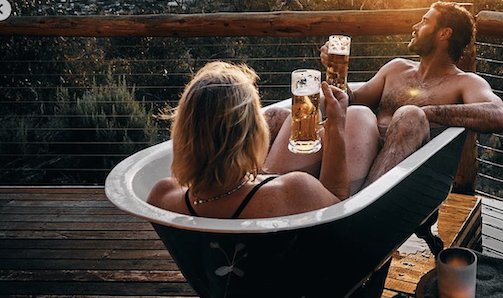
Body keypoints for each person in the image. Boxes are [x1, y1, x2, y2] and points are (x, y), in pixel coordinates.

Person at [265, 2, 503, 186]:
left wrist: (425, 113)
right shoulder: (396, 68)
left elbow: (499, 116)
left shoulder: (465, 82)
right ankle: (263, 190)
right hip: (355, 147)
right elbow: (352, 101)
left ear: (444, 33)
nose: (415, 27)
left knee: (410, 115)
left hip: (398, 178)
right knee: (276, 115)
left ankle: (361, 208)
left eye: (424, 21)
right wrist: (333, 70)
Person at [147, 61, 379, 219]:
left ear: (182, 132)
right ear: (252, 131)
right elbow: (339, 206)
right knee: (362, 116)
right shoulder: (295, 190)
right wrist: (336, 126)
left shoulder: (161, 195)